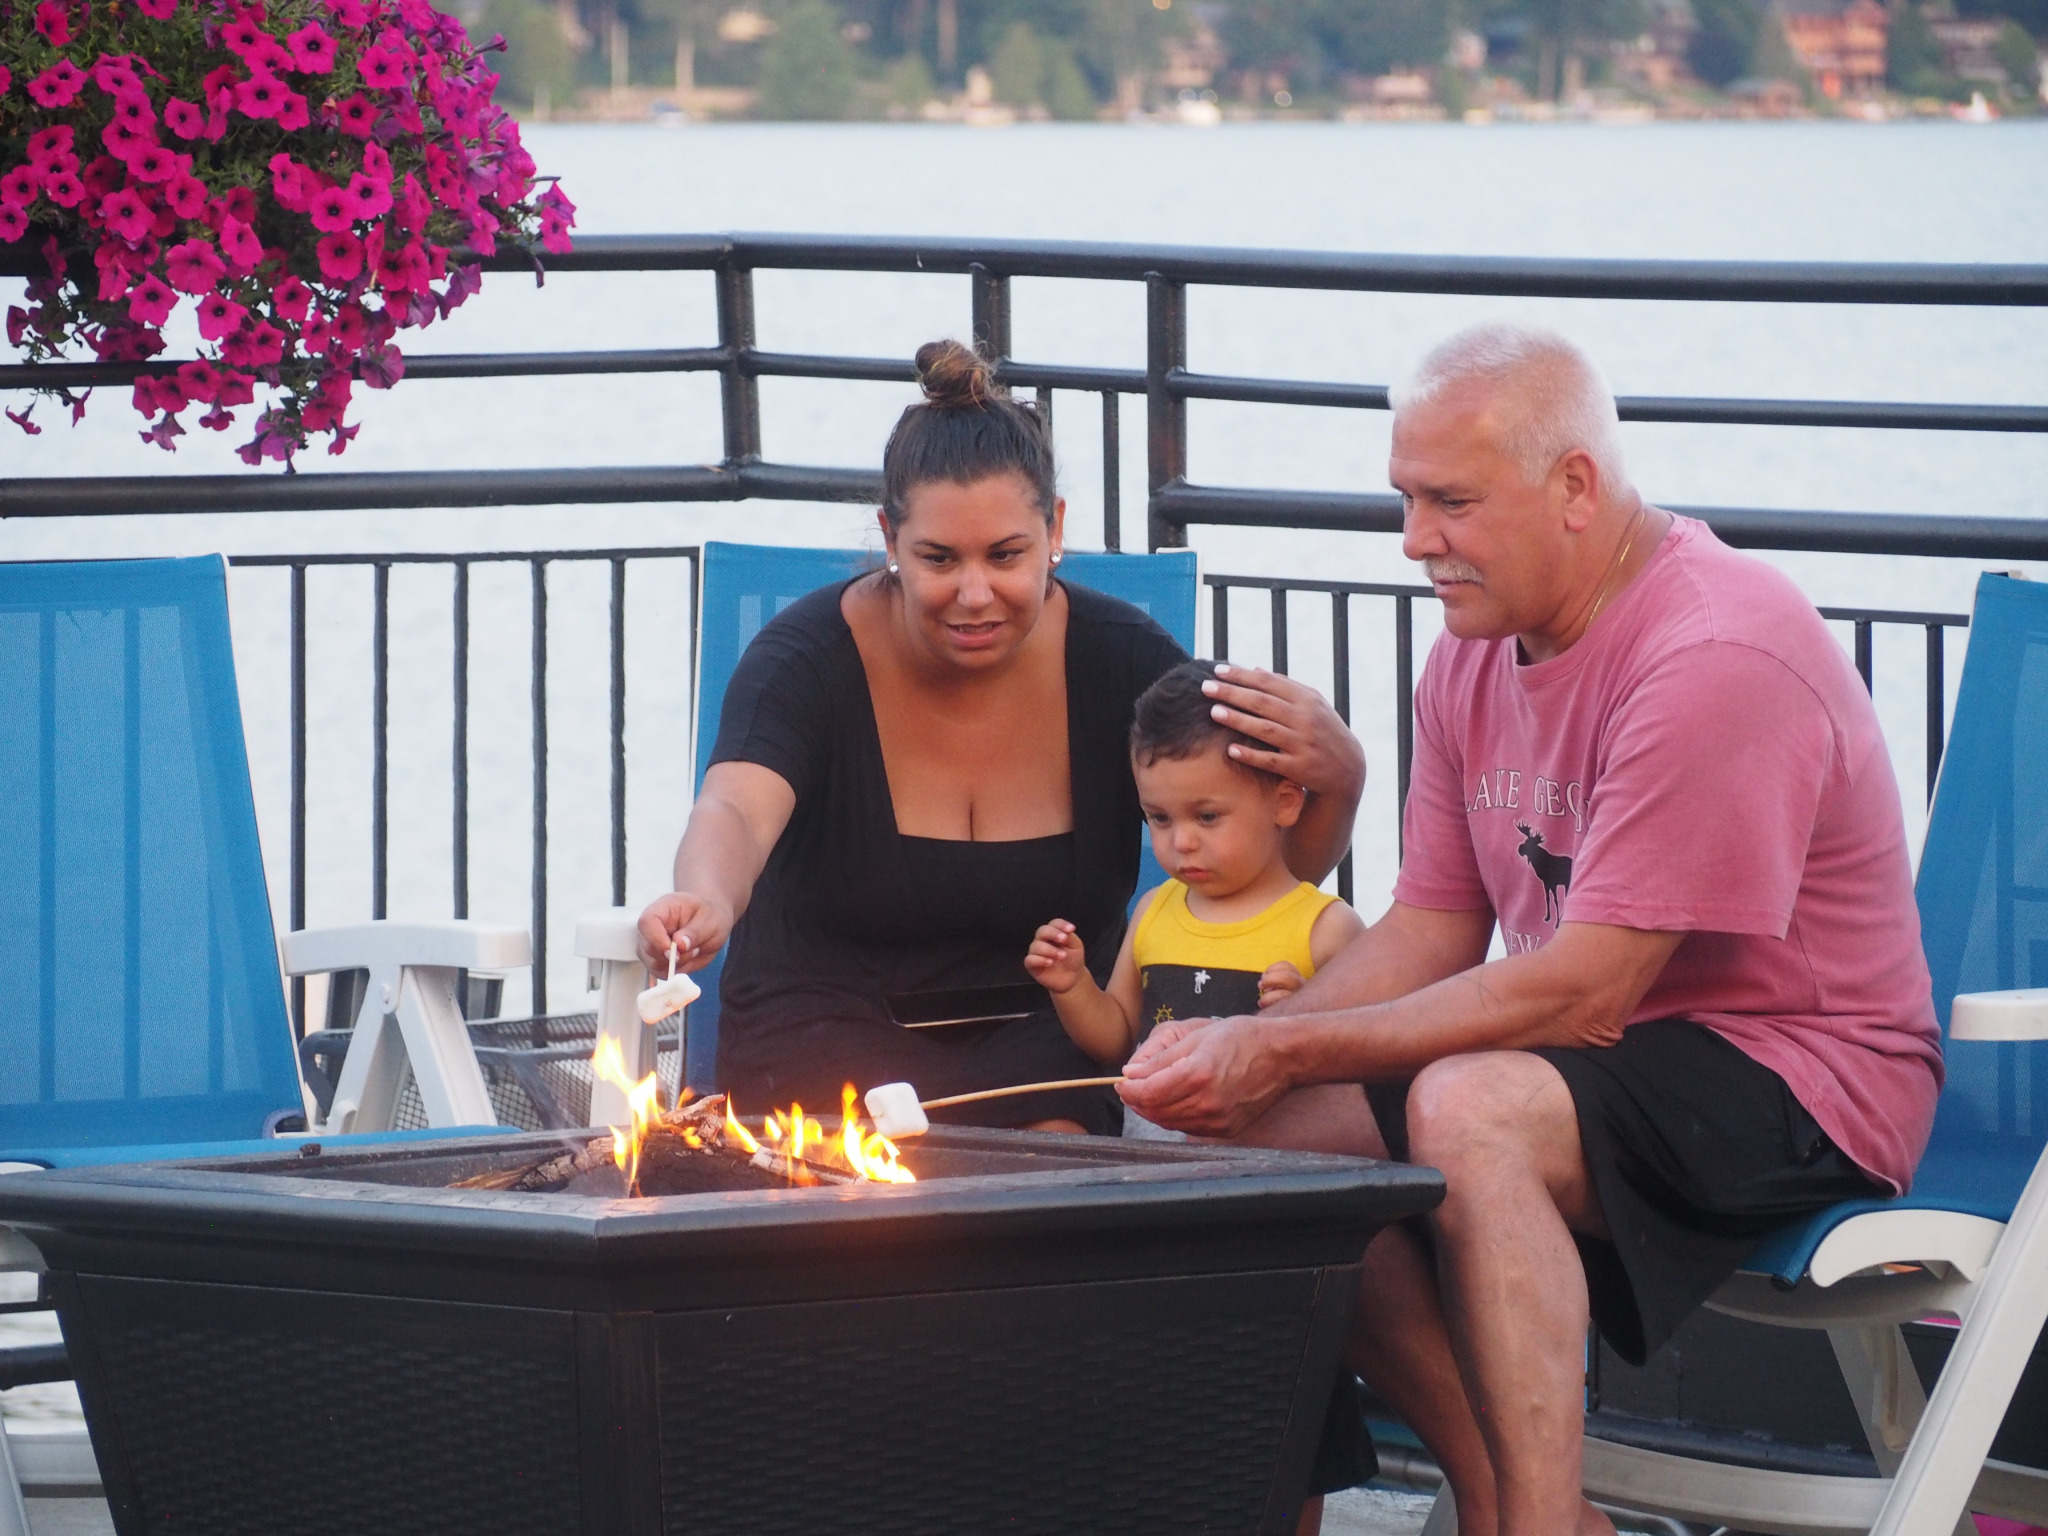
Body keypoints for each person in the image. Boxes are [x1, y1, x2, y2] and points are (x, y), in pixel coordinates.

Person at [1116, 323, 1943, 1536]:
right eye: (1403, 499)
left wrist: (1285, 1045)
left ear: (1573, 488)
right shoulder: (1471, 658)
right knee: (1259, 1142)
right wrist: (1232, 1054)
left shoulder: (1710, 650)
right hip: (1603, 1065)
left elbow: (1582, 994)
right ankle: (1512, 1498)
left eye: (1450, 501)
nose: (1413, 542)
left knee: (1465, 1104)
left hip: (1805, 1077)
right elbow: (1433, 931)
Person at [636, 339, 1365, 1134]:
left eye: (1007, 555)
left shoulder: (1125, 660)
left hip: (1049, 1042)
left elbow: (1262, 869)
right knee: (878, 1201)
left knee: (1051, 1167)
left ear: (1054, 528)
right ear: (889, 539)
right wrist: (706, 896)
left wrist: (1344, 779)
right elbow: (736, 810)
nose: (974, 594)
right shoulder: (802, 661)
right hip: (822, 1044)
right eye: (939, 558)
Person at [1024, 658, 1364, 1101]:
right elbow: (1118, 1038)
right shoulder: (1154, 910)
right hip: (1155, 1158)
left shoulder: (1326, 927)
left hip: (1278, 1161)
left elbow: (1364, 1064)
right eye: (1160, 818)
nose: (1181, 841)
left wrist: (1301, 1015)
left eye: (1207, 816)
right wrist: (1073, 986)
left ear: (1284, 803)